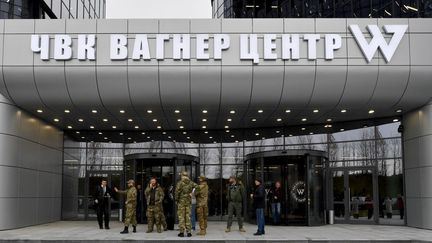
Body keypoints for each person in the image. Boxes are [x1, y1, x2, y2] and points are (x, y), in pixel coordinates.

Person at [175, 171, 199, 237]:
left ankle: (182, 232)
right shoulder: (190, 182)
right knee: (188, 216)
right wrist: (193, 194)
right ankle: (189, 232)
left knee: (181, 217)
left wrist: (176, 200)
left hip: (181, 202)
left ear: (182, 175)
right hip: (188, 202)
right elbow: (197, 187)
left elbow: (177, 192)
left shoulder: (179, 183)